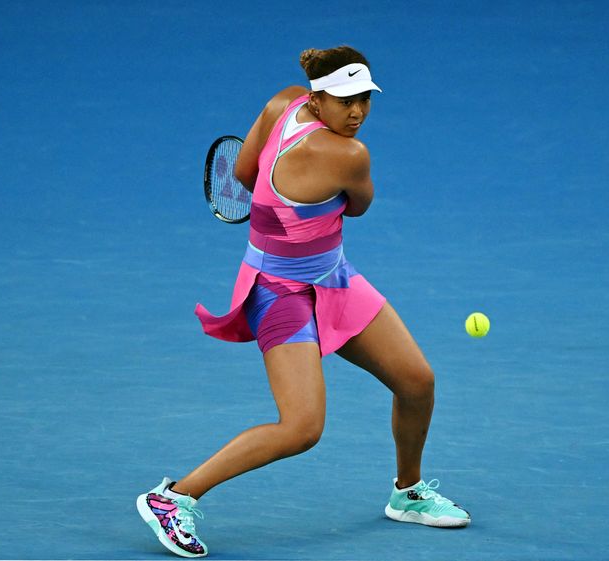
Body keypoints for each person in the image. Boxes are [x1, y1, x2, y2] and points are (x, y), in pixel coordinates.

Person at [136, 45, 469, 558]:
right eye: (343, 100)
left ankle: (409, 493)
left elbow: (246, 175)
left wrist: (284, 210)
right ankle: (173, 498)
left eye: (364, 99)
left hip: (332, 279)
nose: (356, 112)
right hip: (278, 293)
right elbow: (358, 207)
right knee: (301, 427)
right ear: (316, 100)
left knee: (417, 382)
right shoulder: (351, 156)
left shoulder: (280, 105)